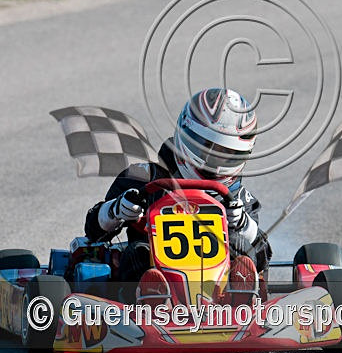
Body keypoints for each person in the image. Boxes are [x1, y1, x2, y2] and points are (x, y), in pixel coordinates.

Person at [83, 88, 271, 304]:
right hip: (155, 274)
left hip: (218, 289)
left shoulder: (238, 198)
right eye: (208, 150)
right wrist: (116, 210)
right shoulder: (142, 177)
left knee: (240, 246)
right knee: (137, 252)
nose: (216, 166)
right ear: (186, 134)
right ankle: (152, 300)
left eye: (228, 155)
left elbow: (264, 256)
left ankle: (239, 300)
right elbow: (93, 231)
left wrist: (243, 224)